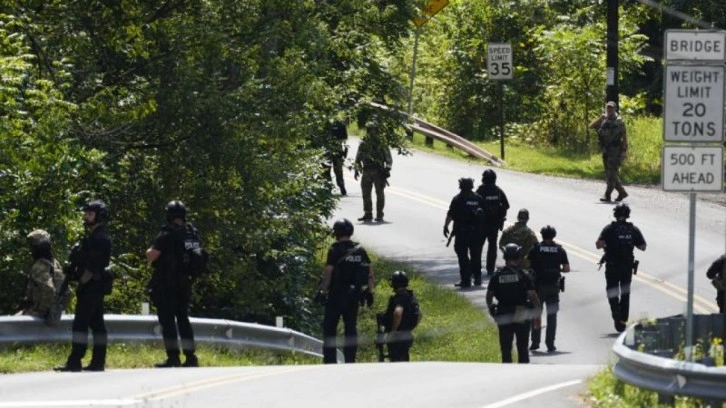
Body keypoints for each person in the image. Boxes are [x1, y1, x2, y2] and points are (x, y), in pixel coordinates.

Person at [55, 200, 112, 372]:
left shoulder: (99, 238)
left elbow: (93, 265)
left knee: (81, 324)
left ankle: (75, 361)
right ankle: (98, 362)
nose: (86, 217)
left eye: (90, 214)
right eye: (86, 213)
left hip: (92, 285)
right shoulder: (93, 237)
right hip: (93, 285)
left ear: (99, 216)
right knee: (96, 324)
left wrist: (82, 283)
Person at [146, 200, 201, 368]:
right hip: (185, 283)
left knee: (168, 320)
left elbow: (153, 255)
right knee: (183, 319)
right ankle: (190, 357)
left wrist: (148, 251)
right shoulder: (192, 233)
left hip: (167, 283)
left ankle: (173, 357)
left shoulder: (167, 233)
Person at [317, 218, 375, 363]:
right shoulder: (360, 250)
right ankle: (350, 360)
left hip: (336, 294)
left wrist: (323, 291)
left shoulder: (335, 249)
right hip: (354, 295)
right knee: (351, 328)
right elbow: (370, 273)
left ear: (337, 232)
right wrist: (370, 292)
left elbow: (328, 272)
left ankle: (330, 361)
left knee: (330, 328)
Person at [596, 203, 646, 333]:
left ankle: (616, 315)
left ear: (615, 214)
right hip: (627, 266)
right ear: (628, 214)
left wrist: (608, 244)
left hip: (613, 265)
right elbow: (643, 247)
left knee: (612, 291)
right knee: (625, 293)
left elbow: (598, 245)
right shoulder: (633, 229)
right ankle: (623, 321)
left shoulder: (609, 229)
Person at [486, 244, 540, 364]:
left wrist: (491, 309)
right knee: (522, 347)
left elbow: (489, 296)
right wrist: (537, 312)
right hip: (521, 312)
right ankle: (523, 370)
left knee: (506, 347)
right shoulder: (524, 275)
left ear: (505, 258)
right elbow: (532, 295)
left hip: (503, 312)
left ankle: (507, 371)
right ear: (519, 257)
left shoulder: (497, 275)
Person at [527, 225, 570, 353]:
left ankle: (535, 342)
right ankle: (550, 344)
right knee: (552, 316)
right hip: (553, 287)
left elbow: (527, 265)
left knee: (536, 314)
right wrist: (557, 269)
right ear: (554, 236)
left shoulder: (535, 249)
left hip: (538, 287)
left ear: (542, 235)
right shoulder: (559, 250)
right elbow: (566, 268)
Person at [443, 178, 486, 287]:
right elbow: (485, 215)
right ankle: (477, 277)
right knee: (476, 255)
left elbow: (451, 214)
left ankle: (466, 279)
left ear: (461, 186)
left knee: (462, 255)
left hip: (462, 232)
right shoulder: (479, 198)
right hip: (476, 232)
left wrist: (446, 226)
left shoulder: (458, 199)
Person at [17, 230, 66, 317]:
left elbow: (49, 289)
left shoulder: (39, 266)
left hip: (39, 313)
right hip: (56, 313)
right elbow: (67, 292)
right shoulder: (55, 264)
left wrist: (41, 310)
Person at [589, 101, 628, 202]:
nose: (609, 110)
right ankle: (622, 192)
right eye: (608, 108)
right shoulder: (604, 120)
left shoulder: (619, 121)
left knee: (612, 173)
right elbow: (591, 126)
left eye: (611, 108)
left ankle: (607, 195)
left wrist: (624, 151)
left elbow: (624, 137)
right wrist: (600, 118)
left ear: (615, 109)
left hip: (615, 150)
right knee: (609, 173)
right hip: (606, 150)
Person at [354, 122, 393, 222]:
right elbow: (358, 156)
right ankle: (368, 213)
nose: (372, 132)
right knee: (366, 193)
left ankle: (379, 214)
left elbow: (388, 157)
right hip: (366, 171)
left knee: (379, 193)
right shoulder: (364, 143)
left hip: (378, 171)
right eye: (370, 130)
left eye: (374, 130)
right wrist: (356, 169)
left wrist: (387, 169)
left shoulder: (381, 143)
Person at [381, 270, 422, 362]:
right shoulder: (410, 296)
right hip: (406, 335)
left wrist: (393, 332)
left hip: (397, 337)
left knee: (396, 363)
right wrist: (409, 328)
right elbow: (419, 314)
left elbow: (398, 313)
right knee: (404, 360)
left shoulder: (400, 297)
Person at [475, 169, 510, 276]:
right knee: (492, 246)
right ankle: (490, 269)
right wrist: (500, 216)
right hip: (494, 224)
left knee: (477, 247)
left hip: (482, 224)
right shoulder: (498, 191)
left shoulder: (480, 191)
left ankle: (476, 269)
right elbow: (506, 205)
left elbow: (475, 205)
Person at [322, 119, 348, 196]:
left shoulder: (323, 124)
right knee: (338, 171)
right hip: (338, 149)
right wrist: (345, 151)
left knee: (326, 171)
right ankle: (341, 184)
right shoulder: (341, 124)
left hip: (326, 150)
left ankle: (328, 187)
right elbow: (344, 139)